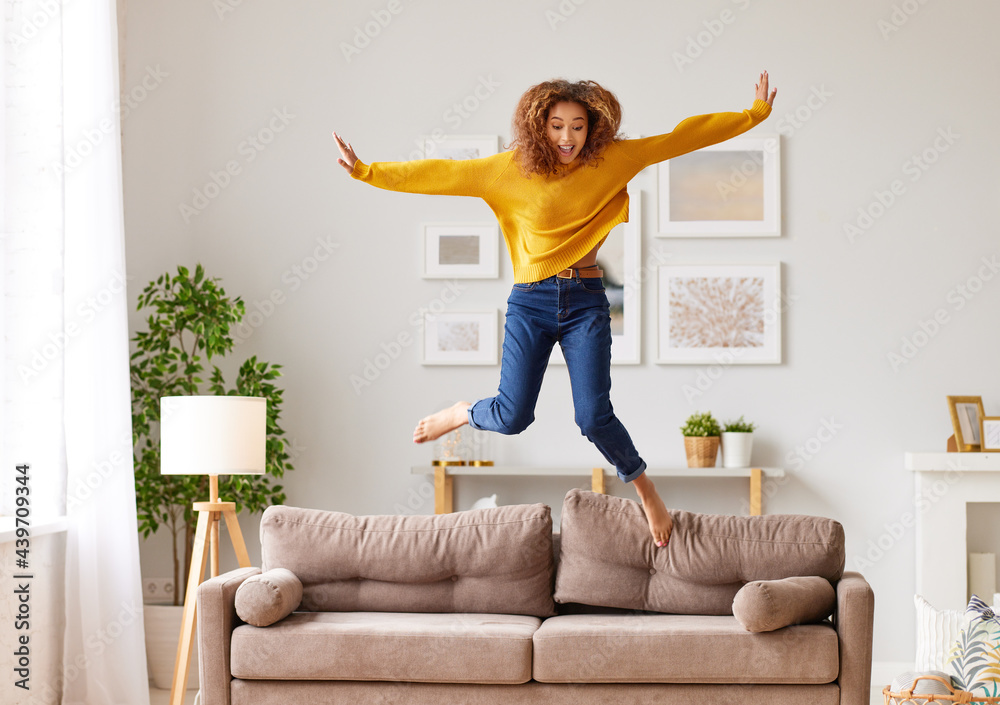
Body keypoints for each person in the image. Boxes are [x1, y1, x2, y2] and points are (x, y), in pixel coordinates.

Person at [334, 72, 777, 547]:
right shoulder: (507, 170)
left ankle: (647, 492)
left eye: (579, 126)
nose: (568, 137)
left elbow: (679, 139)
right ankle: (465, 411)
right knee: (512, 417)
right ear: (537, 126)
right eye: (557, 125)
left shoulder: (612, 160)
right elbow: (439, 173)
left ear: (594, 127)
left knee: (592, 417)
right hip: (531, 302)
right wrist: (368, 171)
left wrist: (752, 115)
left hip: (586, 300)